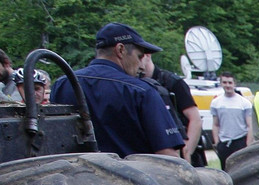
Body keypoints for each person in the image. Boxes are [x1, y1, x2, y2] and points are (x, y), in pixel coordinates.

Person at [49, 23, 183, 157]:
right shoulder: (141, 92)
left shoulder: (62, 85)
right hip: (131, 176)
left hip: (73, 175)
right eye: (139, 56)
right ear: (120, 49)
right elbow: (168, 155)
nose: (142, 65)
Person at [140, 52, 205, 166]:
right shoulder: (135, 83)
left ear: (148, 55)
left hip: (181, 149)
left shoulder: (173, 82)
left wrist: (186, 152)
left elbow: (195, 119)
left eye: (140, 56)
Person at [210, 72, 254, 169]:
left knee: (241, 169)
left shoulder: (244, 103)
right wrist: (217, 142)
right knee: (226, 170)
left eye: (230, 83)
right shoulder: (216, 103)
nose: (227, 85)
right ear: (221, 83)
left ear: (234, 84)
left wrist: (248, 144)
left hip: (240, 141)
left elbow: (250, 125)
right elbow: (215, 124)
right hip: (224, 142)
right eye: (225, 82)